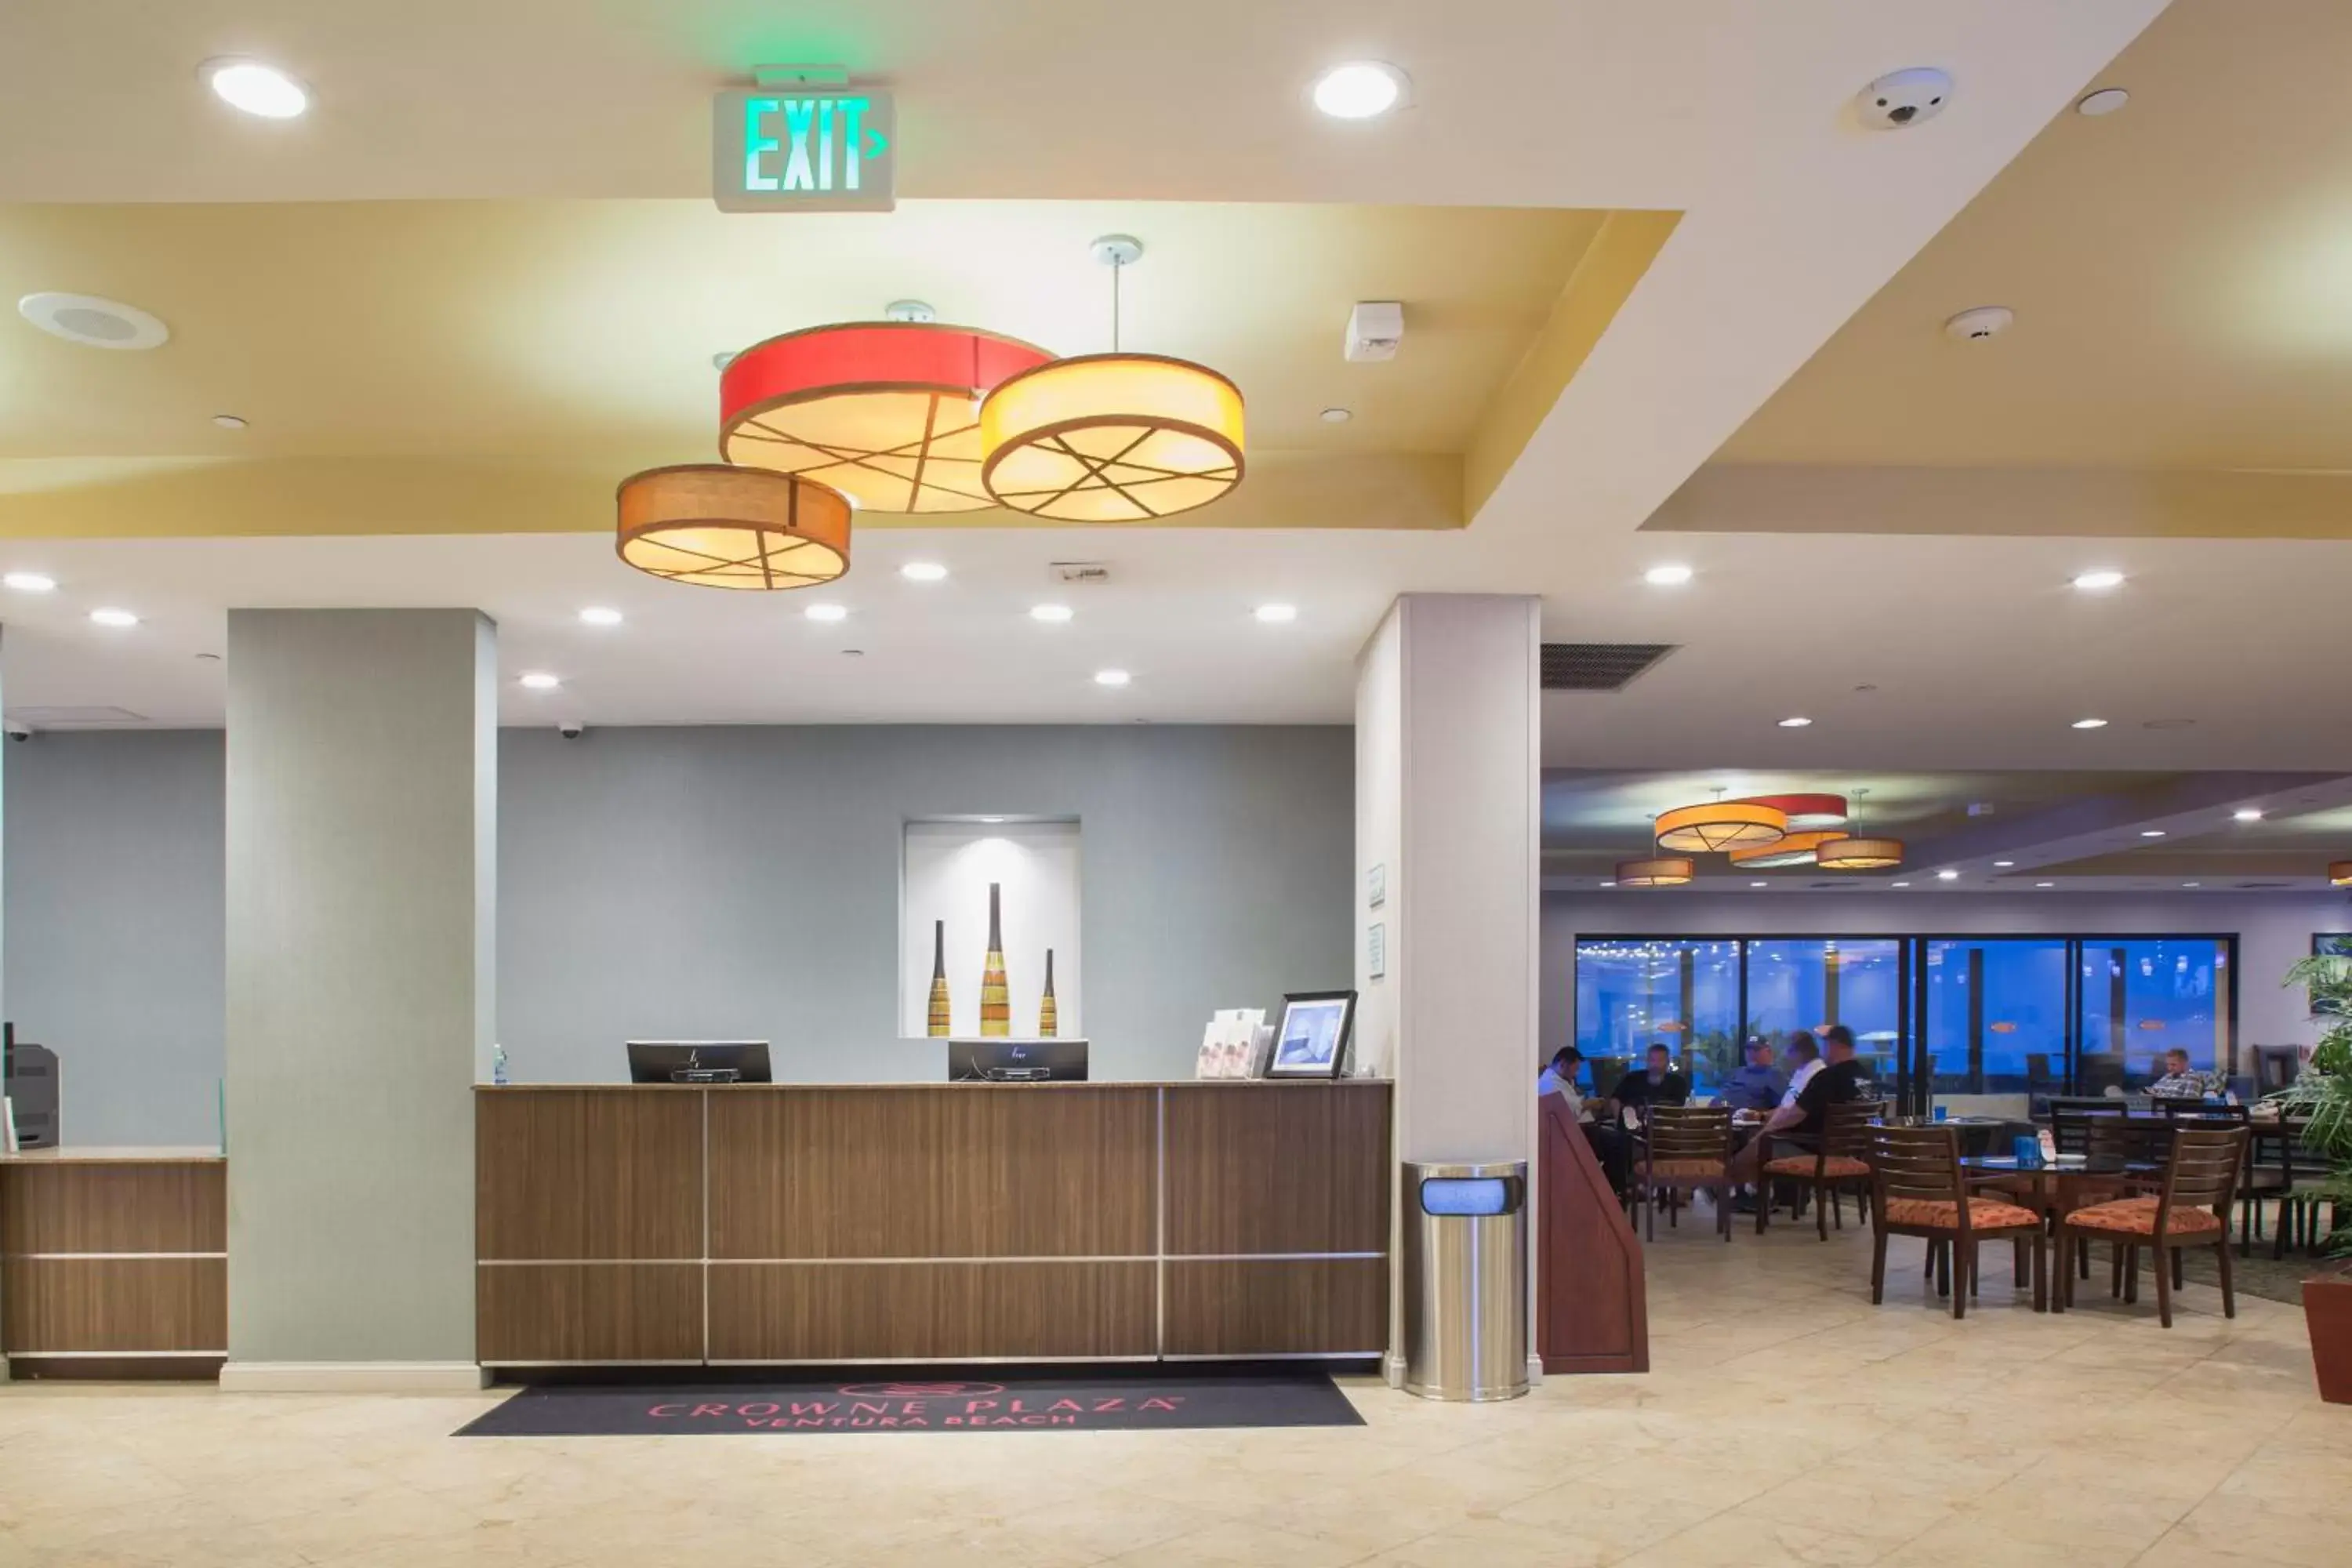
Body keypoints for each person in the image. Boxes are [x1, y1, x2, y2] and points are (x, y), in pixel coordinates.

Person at [1730, 1025, 1869, 1185]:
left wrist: (1762, 1134)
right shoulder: (1866, 1077)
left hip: (1816, 1149)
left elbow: (1794, 1115)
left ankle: (1727, 1193)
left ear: (1834, 1045)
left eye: (1825, 1045)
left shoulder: (1828, 1078)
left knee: (1758, 1146)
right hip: (1851, 1152)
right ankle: (1752, 1195)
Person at [1601, 1044, 1690, 1126]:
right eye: (1652, 1060)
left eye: (1660, 1060)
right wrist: (1619, 1122)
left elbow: (1677, 1108)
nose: (1656, 1064)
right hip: (1632, 1130)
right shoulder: (1632, 1078)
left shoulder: (1678, 1082)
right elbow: (1615, 1099)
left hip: (1666, 1130)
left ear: (1668, 1061)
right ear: (1647, 1061)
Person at [1721, 1036, 1786, 1112]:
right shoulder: (1735, 1072)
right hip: (1720, 1116)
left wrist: (1759, 1116)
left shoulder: (1774, 1075)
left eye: (1756, 1050)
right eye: (1748, 1050)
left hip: (1748, 1121)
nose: (1751, 1054)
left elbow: (1784, 1108)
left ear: (1768, 1052)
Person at [2146, 1048, 2219, 1101]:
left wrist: (2159, 1095)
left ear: (2184, 1063)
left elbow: (2188, 1104)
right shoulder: (2167, 1077)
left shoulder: (2192, 1078)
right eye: (2168, 1065)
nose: (2169, 1068)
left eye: (2173, 1065)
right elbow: (2151, 1092)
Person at [1777, 1033, 1822, 1109]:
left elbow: (1795, 1112)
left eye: (1790, 1051)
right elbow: (1785, 1107)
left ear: (1801, 1052)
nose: (1786, 1056)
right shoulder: (1800, 1071)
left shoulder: (1818, 1075)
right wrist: (1761, 1116)